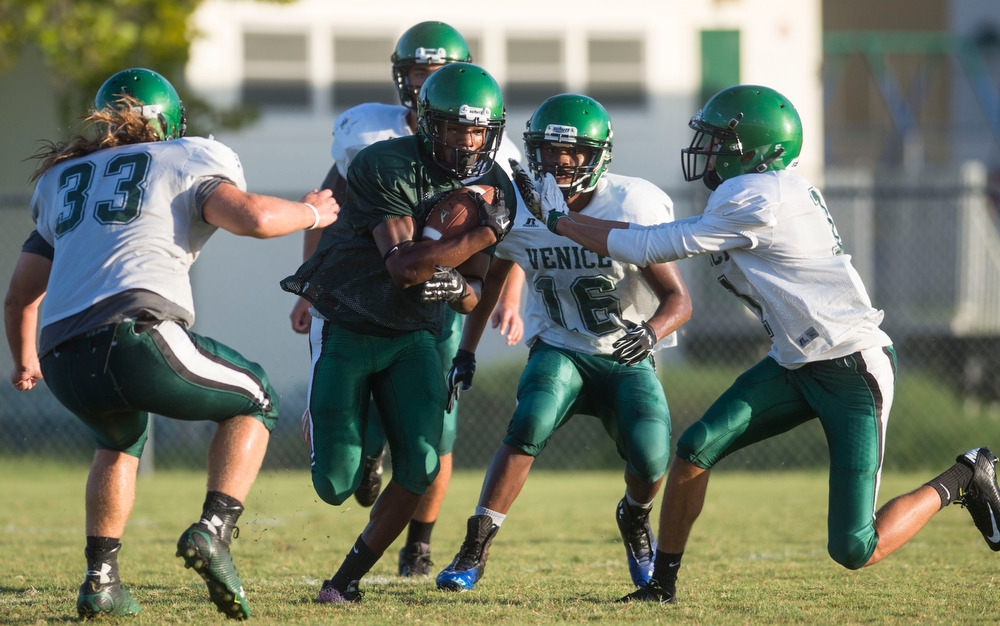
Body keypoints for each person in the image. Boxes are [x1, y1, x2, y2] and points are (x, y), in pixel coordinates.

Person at [537, 84, 1000, 604]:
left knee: (854, 546)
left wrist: (560, 221)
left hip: (850, 367)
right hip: (793, 361)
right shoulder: (764, 191)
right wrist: (572, 221)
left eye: (717, 142)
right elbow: (652, 234)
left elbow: (650, 243)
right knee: (694, 449)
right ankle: (660, 587)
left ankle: (964, 476)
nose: (707, 152)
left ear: (751, 149)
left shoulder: (756, 195)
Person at [3, 67, 339, 620]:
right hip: (136, 335)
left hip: (63, 356)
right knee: (256, 397)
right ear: (171, 121)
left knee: (118, 442)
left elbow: (20, 297)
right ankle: (213, 531)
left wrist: (25, 360)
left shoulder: (62, 180)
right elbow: (252, 217)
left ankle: (101, 581)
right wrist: (312, 212)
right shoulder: (185, 157)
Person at [287, 21, 525, 578]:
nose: (467, 141)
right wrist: (307, 279)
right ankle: (349, 433)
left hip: (423, 321)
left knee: (430, 442)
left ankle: (413, 546)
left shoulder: (498, 175)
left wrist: (476, 291)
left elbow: (491, 269)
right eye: (417, 71)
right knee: (335, 484)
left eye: (477, 131)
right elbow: (351, 225)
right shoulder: (374, 148)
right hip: (355, 305)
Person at [433, 93, 692, 594]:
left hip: (625, 353)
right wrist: (466, 351)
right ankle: (476, 544)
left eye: (572, 153)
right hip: (559, 346)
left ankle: (635, 519)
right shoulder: (520, 205)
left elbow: (678, 299)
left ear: (599, 155)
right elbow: (495, 276)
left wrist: (651, 332)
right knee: (529, 419)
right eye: (549, 152)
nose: (560, 163)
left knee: (652, 456)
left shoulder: (631, 203)